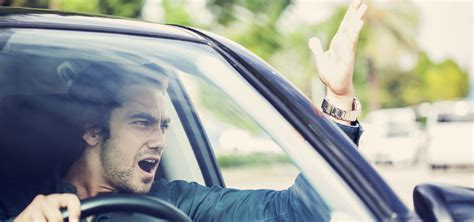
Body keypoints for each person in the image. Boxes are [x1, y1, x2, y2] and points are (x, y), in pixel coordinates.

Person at [7, 0, 368, 221]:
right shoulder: (17, 200)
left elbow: (297, 213)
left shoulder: (182, 204)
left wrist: (337, 98)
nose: (160, 140)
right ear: (92, 129)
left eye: (164, 125)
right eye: (142, 121)